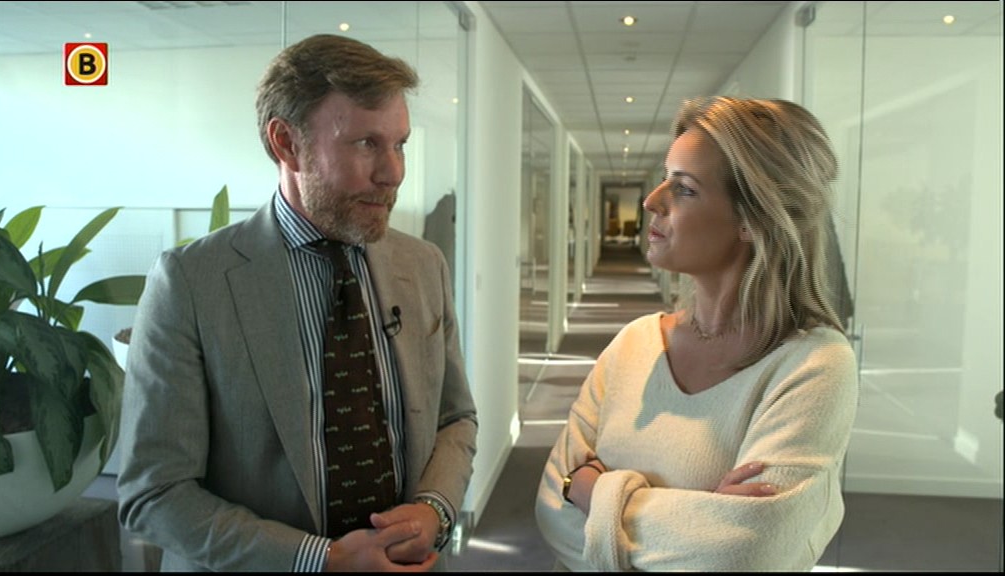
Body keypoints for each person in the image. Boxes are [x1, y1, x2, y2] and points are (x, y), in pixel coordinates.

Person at [116, 34, 477, 572]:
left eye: (400, 144)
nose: (393, 172)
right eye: (366, 144)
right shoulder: (191, 283)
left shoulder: (423, 265)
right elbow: (155, 493)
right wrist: (319, 560)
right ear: (286, 143)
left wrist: (434, 510)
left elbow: (456, 418)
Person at [534, 96, 859, 571]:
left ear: (753, 219)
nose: (651, 201)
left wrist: (590, 490)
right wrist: (697, 518)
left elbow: (743, 554)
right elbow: (550, 509)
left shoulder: (813, 365)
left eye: (684, 189)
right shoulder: (634, 343)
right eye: (665, 178)